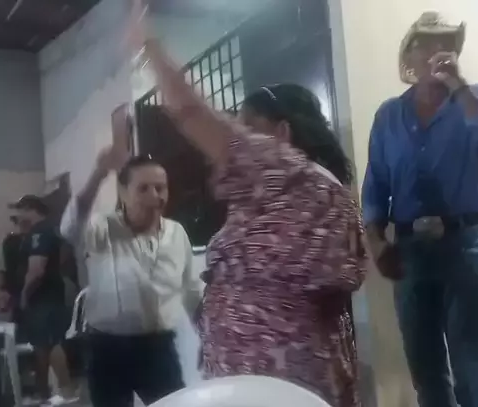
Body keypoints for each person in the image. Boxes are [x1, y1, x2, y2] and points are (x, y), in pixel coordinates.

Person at [126, 2, 366, 405]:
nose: (236, 138)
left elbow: (188, 111)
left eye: (248, 127)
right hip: (289, 376)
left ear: (282, 133)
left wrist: (148, 46)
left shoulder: (288, 172)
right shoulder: (319, 191)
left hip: (276, 380)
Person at [361, 11, 478, 407]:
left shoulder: (477, 96)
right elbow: (375, 188)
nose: (438, 50)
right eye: (427, 43)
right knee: (426, 373)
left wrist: (460, 88)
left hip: (467, 243)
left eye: (447, 42)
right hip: (410, 251)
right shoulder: (388, 115)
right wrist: (377, 244)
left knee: (474, 373)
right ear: (409, 56)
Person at [60, 111, 202, 406]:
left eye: (160, 188)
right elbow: (70, 226)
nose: (154, 196)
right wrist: (99, 173)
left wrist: (207, 336)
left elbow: (190, 290)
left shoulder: (176, 233)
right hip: (107, 349)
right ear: (123, 193)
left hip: (159, 348)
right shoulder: (102, 229)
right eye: (143, 188)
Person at [12, 195, 77, 405]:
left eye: (20, 210)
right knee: (44, 343)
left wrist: (24, 294)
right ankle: (45, 392)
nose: (18, 215)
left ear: (30, 209)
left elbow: (37, 269)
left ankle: (65, 390)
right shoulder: (51, 229)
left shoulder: (40, 232)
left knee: (49, 342)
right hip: (51, 293)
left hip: (43, 296)